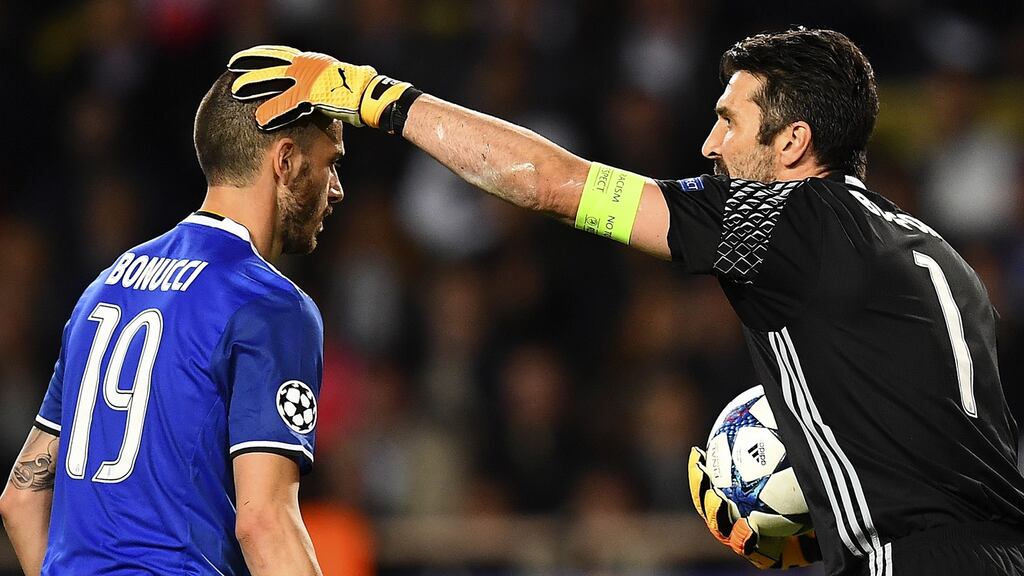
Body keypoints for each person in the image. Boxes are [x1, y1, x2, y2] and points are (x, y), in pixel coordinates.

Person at [224, 28, 1024, 576]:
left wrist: (371, 95)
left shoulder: (784, 220)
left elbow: (549, 184)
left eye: (728, 121)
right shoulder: (933, 253)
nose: (710, 146)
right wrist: (815, 505)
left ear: (792, 144)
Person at [0, 70, 343, 574]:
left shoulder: (106, 286)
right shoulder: (269, 304)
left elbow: (22, 498)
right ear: (286, 161)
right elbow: (265, 523)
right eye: (329, 164)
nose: (336, 190)